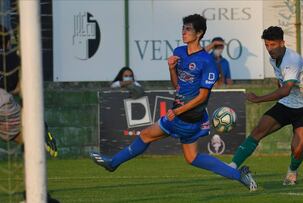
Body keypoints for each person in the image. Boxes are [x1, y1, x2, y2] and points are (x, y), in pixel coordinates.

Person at [90, 14, 257, 191]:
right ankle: (240, 175)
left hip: (186, 116)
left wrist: (177, 112)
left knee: (146, 135)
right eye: (183, 28)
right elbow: (178, 85)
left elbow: (202, 97)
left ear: (199, 33)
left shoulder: (207, 62)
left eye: (188, 29)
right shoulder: (179, 53)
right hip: (186, 115)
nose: (184, 32)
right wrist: (171, 69)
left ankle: (112, 163)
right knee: (192, 157)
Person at [229, 26, 303, 185]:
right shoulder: (274, 58)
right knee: (258, 131)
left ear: (282, 43)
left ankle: (292, 172)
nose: (269, 49)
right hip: (286, 104)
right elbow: (282, 83)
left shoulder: (291, 60)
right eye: (267, 45)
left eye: (273, 45)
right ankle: (232, 166)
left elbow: (285, 90)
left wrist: (258, 99)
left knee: (297, 149)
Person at [0, 24, 59, 202]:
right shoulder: (11, 58)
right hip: (3, 103)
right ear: (9, 40)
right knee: (27, 139)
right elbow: (18, 88)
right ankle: (35, 193)